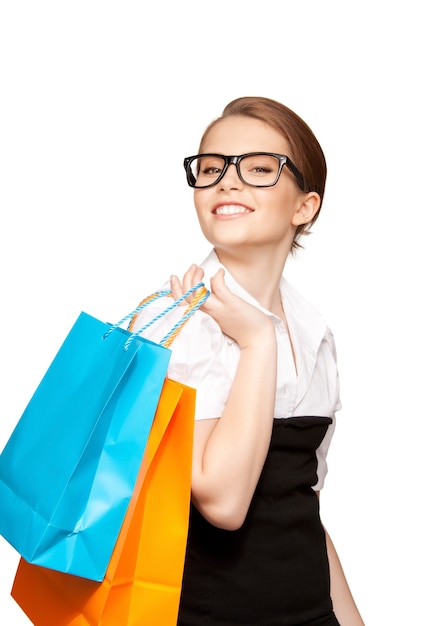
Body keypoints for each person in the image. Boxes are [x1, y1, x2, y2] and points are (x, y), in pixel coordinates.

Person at [133, 96, 365, 625]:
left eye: (259, 169)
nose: (226, 182)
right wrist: (257, 342)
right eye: (212, 168)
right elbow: (224, 502)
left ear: (305, 207)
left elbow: (300, 505)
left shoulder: (314, 332)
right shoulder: (178, 326)